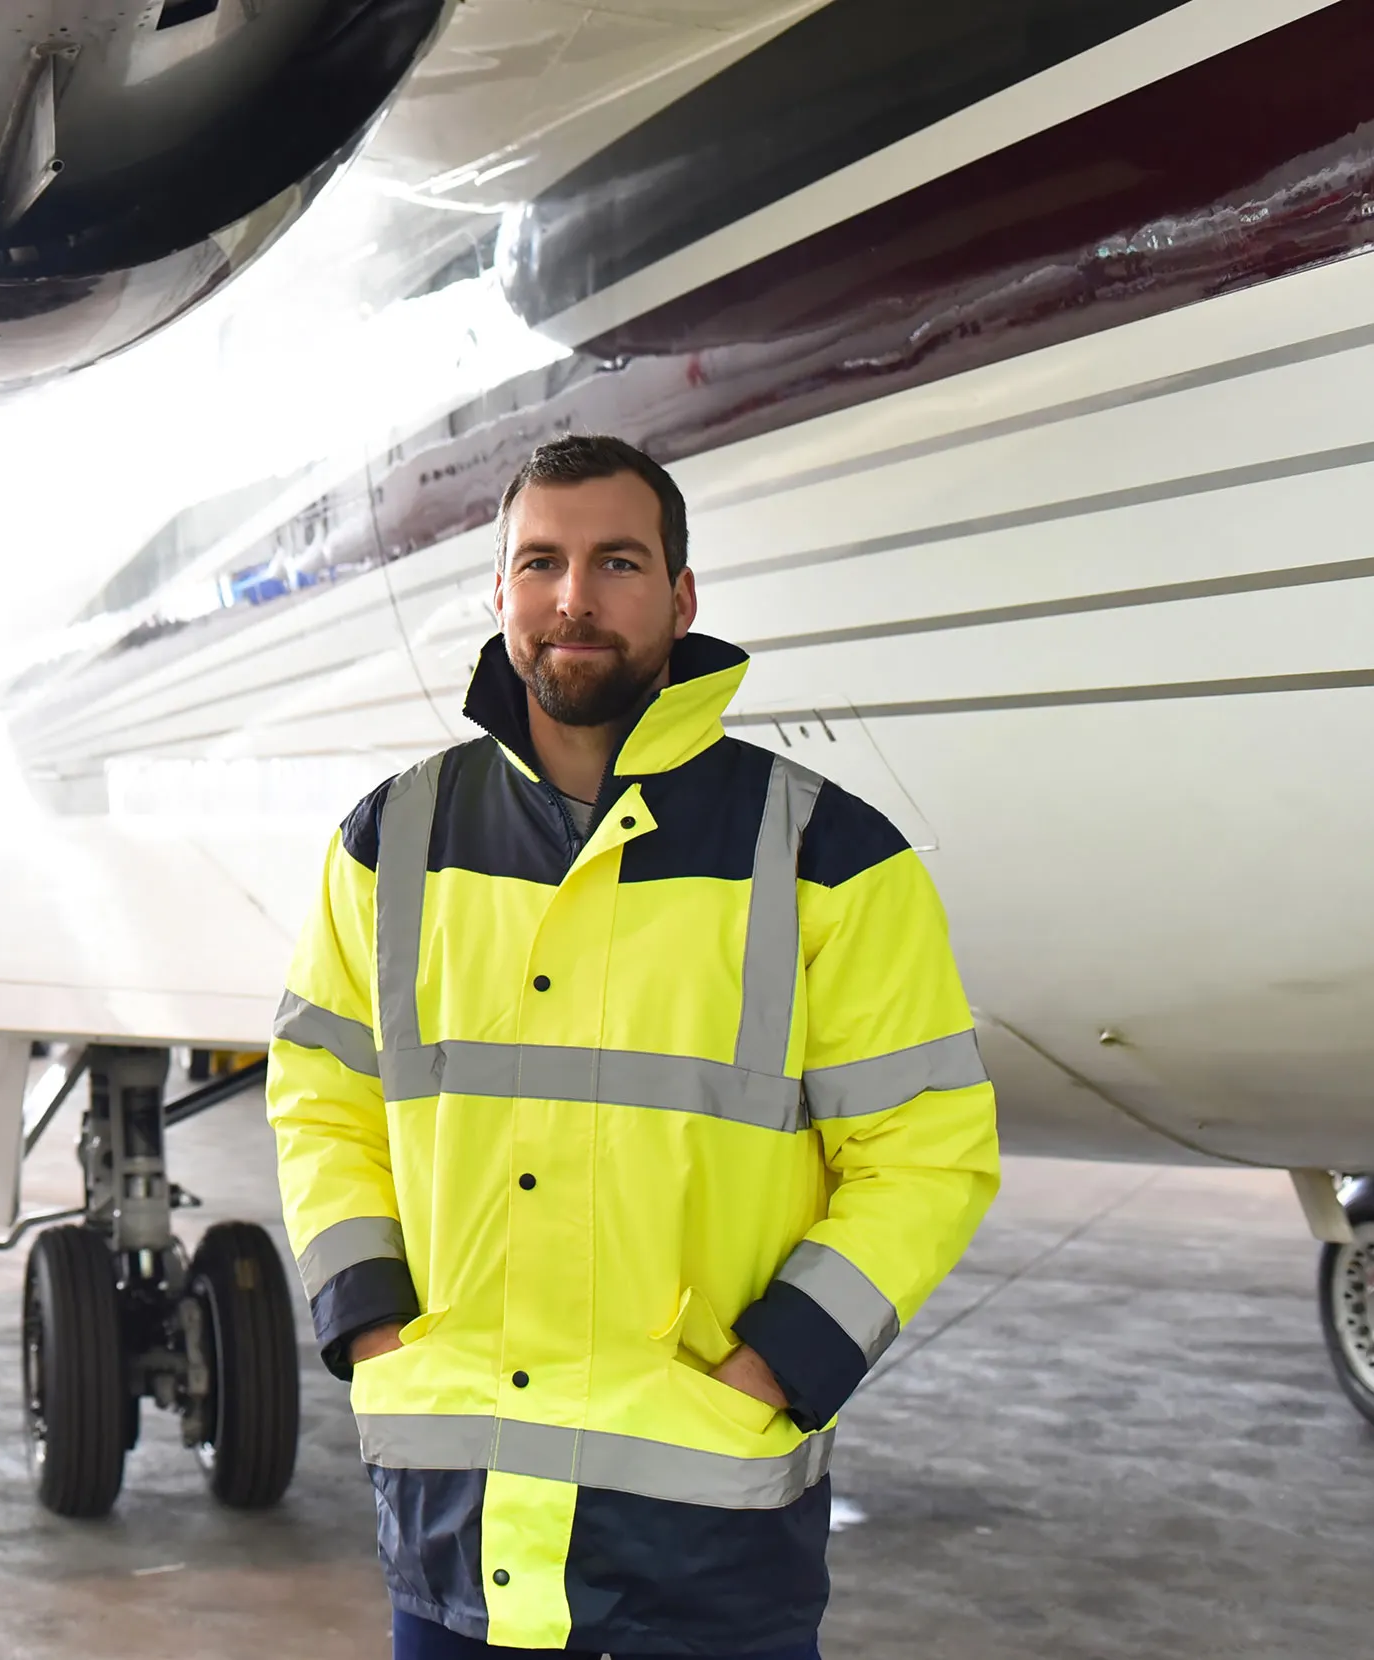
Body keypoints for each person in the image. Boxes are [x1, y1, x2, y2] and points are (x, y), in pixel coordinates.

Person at [266, 435, 1000, 1658]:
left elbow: (925, 1152)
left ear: (679, 597)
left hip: (705, 1536)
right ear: (499, 594)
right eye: (539, 562)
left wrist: (777, 1366)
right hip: (462, 1523)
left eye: (616, 560)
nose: (573, 597)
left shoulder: (826, 855)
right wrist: (372, 1328)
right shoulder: (388, 839)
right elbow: (319, 1104)